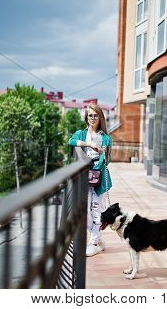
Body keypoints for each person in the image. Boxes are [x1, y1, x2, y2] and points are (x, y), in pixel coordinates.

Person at [68, 102, 112, 257]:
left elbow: (108, 159)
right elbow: (71, 141)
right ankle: (98, 239)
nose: (93, 118)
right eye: (90, 115)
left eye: (96, 115)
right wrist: (90, 144)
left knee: (96, 211)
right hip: (84, 178)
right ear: (86, 118)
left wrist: (102, 157)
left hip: (99, 180)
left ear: (100, 118)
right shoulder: (81, 133)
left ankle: (94, 242)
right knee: (84, 212)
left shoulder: (106, 138)